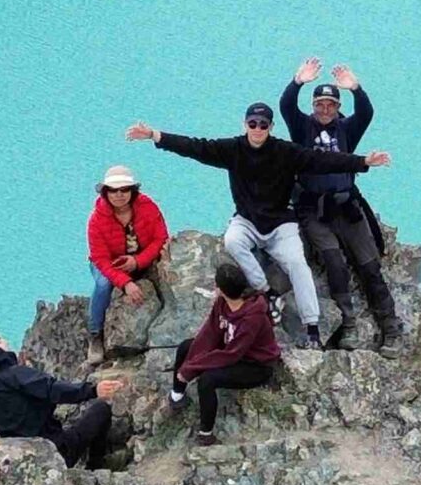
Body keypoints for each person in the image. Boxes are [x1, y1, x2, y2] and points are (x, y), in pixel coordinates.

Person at [125, 105, 391, 346]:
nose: (257, 129)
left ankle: (312, 328)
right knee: (232, 240)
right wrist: (154, 135)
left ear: (270, 127)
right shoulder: (232, 149)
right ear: (245, 125)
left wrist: (363, 162)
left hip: (280, 223)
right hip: (247, 221)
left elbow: (322, 160)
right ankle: (266, 292)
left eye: (263, 124)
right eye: (253, 124)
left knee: (298, 263)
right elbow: (196, 147)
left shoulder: (285, 151)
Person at [281, 60, 400, 348]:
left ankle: (391, 327)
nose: (325, 110)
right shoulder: (302, 128)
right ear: (313, 106)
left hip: (346, 206)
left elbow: (367, 113)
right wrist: (297, 81)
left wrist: (356, 88)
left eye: (330, 105)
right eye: (320, 104)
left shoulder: (347, 129)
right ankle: (349, 324)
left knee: (369, 266)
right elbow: (286, 107)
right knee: (335, 262)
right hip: (314, 209)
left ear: (337, 108)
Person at [0, 330, 128, 469]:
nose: (5, 342)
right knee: (101, 409)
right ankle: (97, 465)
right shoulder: (14, 374)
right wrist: (93, 390)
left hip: (25, 460)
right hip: (56, 451)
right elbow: (52, 389)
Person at [168, 256, 280, 443]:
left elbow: (232, 354)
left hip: (256, 364)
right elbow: (209, 334)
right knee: (186, 347)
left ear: (221, 289)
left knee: (208, 380)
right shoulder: (222, 302)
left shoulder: (252, 317)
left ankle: (206, 434)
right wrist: (188, 366)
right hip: (232, 348)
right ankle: (177, 394)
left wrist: (192, 368)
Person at [86, 163, 170, 364]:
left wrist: (138, 261)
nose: (119, 195)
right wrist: (125, 282)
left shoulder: (148, 207)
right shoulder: (96, 220)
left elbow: (160, 238)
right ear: (106, 193)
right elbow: (100, 259)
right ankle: (95, 333)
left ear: (132, 191)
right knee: (102, 285)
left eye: (124, 189)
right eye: (113, 190)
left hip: (142, 258)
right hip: (111, 264)